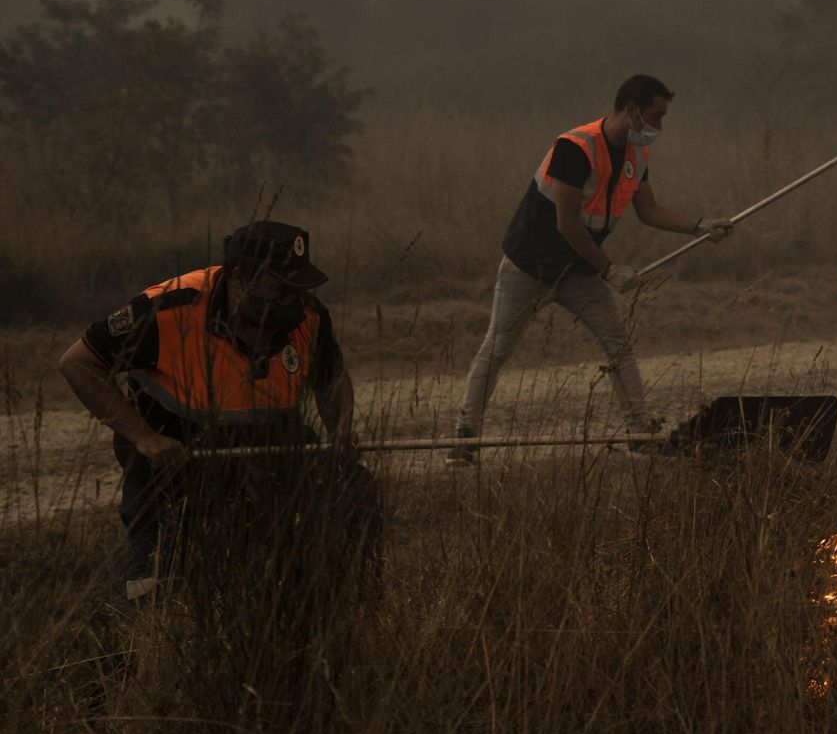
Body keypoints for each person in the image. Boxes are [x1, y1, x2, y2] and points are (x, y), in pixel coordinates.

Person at [57, 220, 381, 600]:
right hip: (174, 450)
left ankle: (348, 603)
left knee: (353, 492)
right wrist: (145, 439)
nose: (292, 299)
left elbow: (331, 377)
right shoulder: (167, 308)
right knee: (158, 583)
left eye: (298, 288)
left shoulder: (309, 315)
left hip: (271, 440)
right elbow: (78, 363)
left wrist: (340, 430)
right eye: (280, 287)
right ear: (240, 277)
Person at [448, 74, 735, 464]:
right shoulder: (575, 147)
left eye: (663, 117)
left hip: (579, 272)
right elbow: (567, 224)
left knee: (618, 344)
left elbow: (648, 210)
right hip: (528, 267)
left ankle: (640, 433)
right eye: (655, 115)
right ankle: (464, 440)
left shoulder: (636, 155)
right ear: (631, 110)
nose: (659, 126)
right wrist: (610, 269)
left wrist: (699, 227)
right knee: (497, 349)